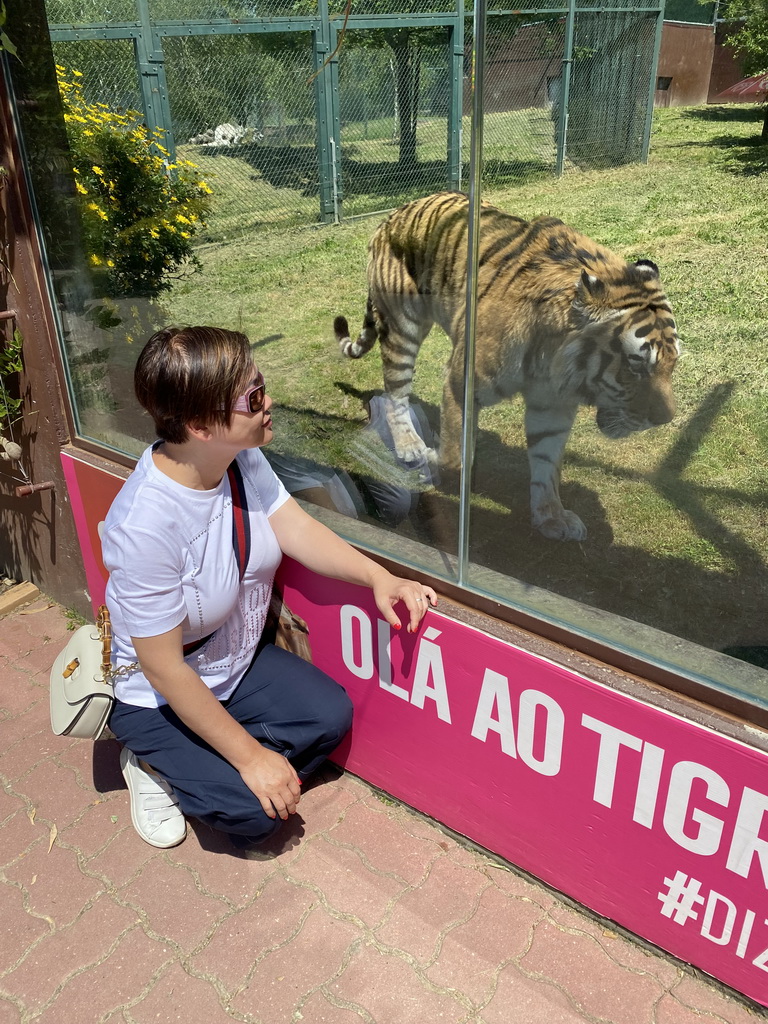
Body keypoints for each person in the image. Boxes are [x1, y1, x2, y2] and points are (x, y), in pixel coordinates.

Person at [102, 326, 437, 851]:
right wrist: (252, 758)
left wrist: (379, 577)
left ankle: (210, 757)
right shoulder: (144, 528)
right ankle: (150, 762)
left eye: (262, 385)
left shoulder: (239, 457)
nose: (269, 402)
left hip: (233, 666)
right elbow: (164, 668)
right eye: (254, 397)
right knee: (255, 817)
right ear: (199, 425)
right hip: (160, 695)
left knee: (331, 718)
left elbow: (296, 528)